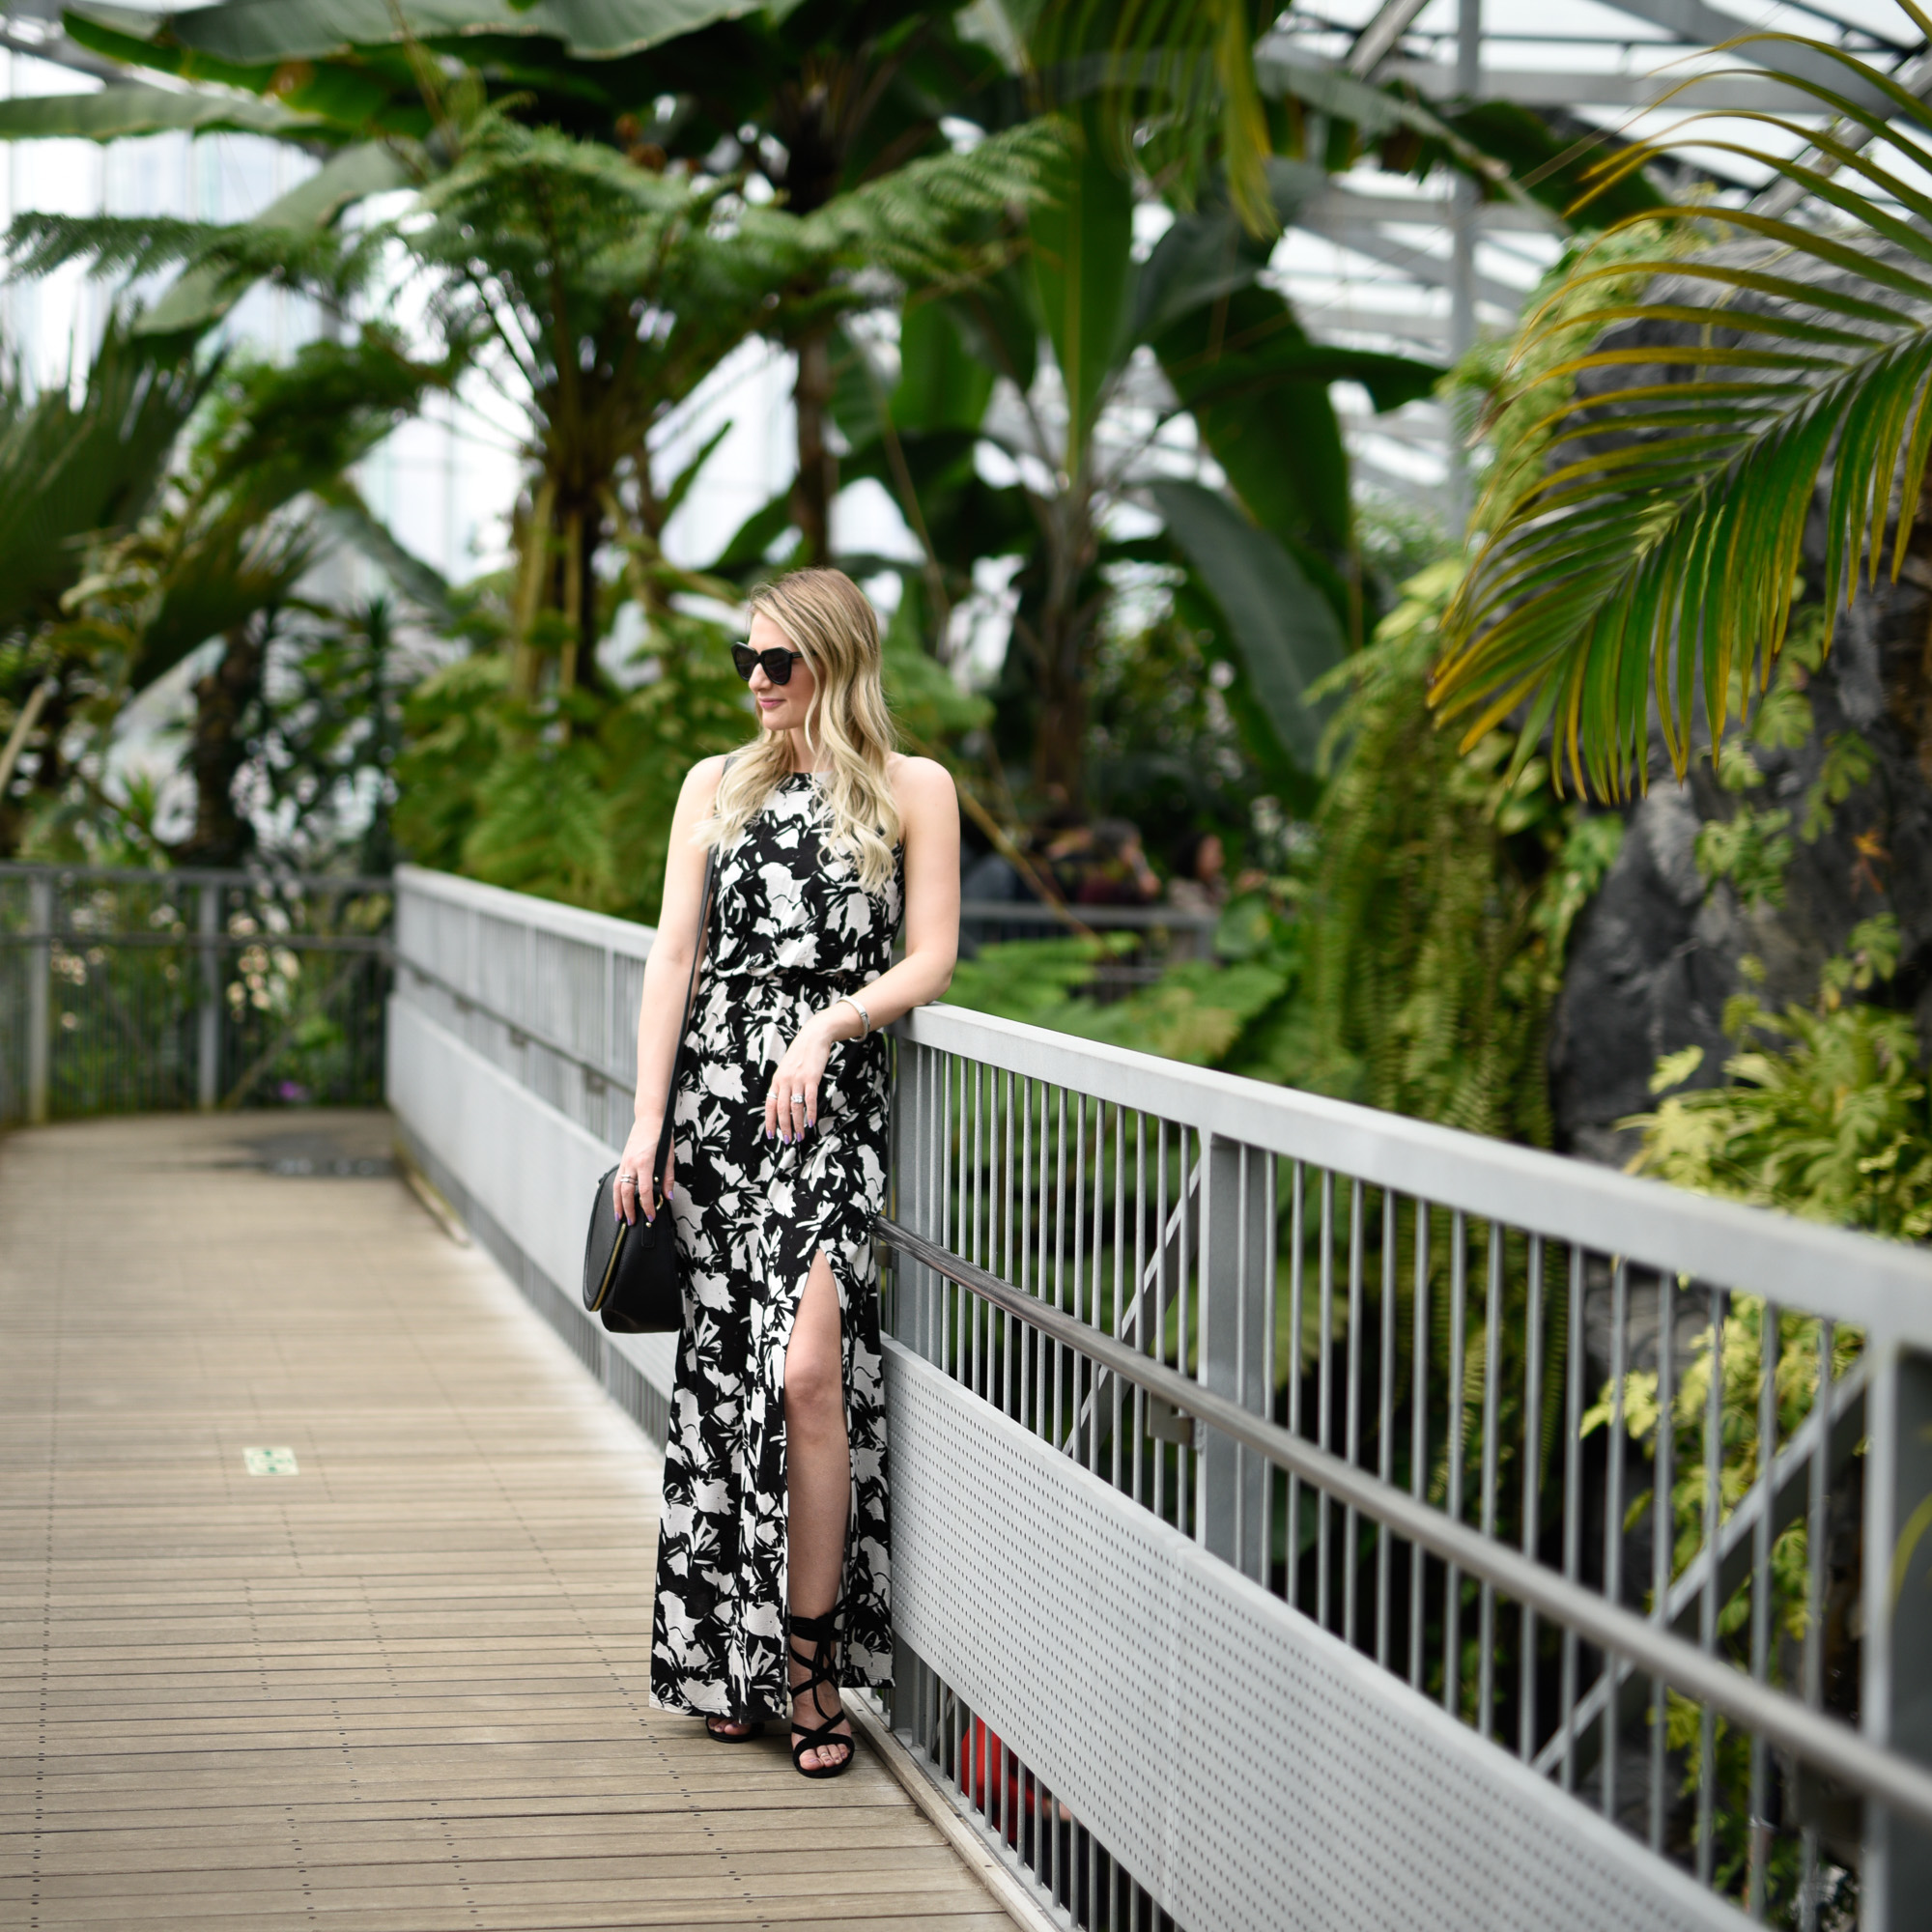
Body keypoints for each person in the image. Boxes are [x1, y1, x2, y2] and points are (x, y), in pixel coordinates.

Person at [613, 568, 960, 1777]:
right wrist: (647, 1120)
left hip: (827, 1109)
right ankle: (725, 1659)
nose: (757, 682)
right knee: (726, 1385)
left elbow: (932, 957)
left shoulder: (913, 789)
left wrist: (828, 1024)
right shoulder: (712, 785)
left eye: (779, 662)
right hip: (715, 1111)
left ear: (838, 662)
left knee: (810, 1372)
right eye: (745, 661)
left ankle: (809, 1668)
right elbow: (674, 954)